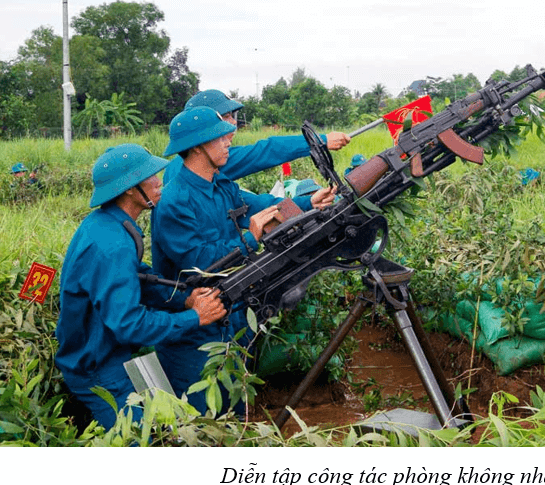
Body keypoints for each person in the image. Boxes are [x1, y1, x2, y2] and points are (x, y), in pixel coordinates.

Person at [150, 106, 337, 415]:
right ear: (197, 146)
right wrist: (249, 237)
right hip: (194, 329)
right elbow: (200, 265)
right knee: (204, 418)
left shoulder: (221, 184)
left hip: (230, 315)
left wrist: (307, 203)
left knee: (238, 409)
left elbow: (258, 207)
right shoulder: (174, 201)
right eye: (220, 137)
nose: (228, 141)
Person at [54, 144, 226, 430]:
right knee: (144, 439)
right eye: (151, 177)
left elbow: (140, 278)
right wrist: (194, 317)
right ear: (131, 189)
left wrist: (183, 298)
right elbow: (129, 324)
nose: (160, 181)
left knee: (168, 425)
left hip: (113, 355)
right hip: (97, 368)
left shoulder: (109, 224)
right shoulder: (113, 246)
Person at [162, 89, 351, 184]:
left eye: (232, 116)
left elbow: (233, 197)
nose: (234, 123)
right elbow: (265, 151)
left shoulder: (182, 164)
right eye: (226, 117)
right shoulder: (203, 162)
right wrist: (321, 141)